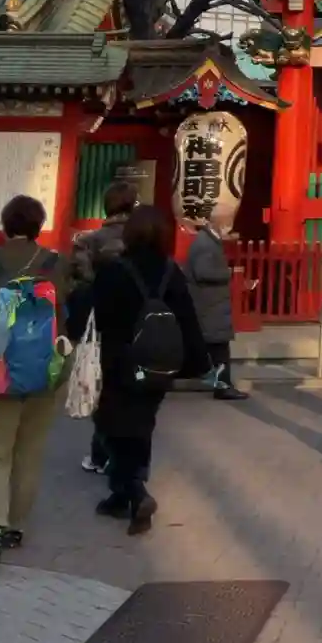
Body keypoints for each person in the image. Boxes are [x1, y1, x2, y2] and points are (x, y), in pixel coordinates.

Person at [74, 204, 209, 533]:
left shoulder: (115, 271)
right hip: (158, 365)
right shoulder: (171, 272)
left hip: (120, 364)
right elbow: (187, 318)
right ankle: (122, 494)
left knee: (111, 426)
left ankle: (134, 491)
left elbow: (94, 315)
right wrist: (196, 361)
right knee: (141, 424)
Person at [0, 195, 72, 573]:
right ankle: (16, 527)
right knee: (29, 451)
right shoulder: (55, 264)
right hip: (43, 372)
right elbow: (67, 311)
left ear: (5, 225)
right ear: (39, 226)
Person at [69, 177, 138, 474]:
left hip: (101, 324)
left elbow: (81, 282)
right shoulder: (142, 242)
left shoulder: (89, 241)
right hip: (136, 325)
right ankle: (124, 456)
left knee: (103, 388)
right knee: (131, 393)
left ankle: (100, 454)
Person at [183, 219, 247, 401]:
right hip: (210, 305)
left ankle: (221, 384)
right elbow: (203, 272)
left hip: (211, 304)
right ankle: (223, 387)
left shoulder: (207, 241)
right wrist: (227, 272)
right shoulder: (206, 244)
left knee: (213, 347)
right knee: (219, 348)